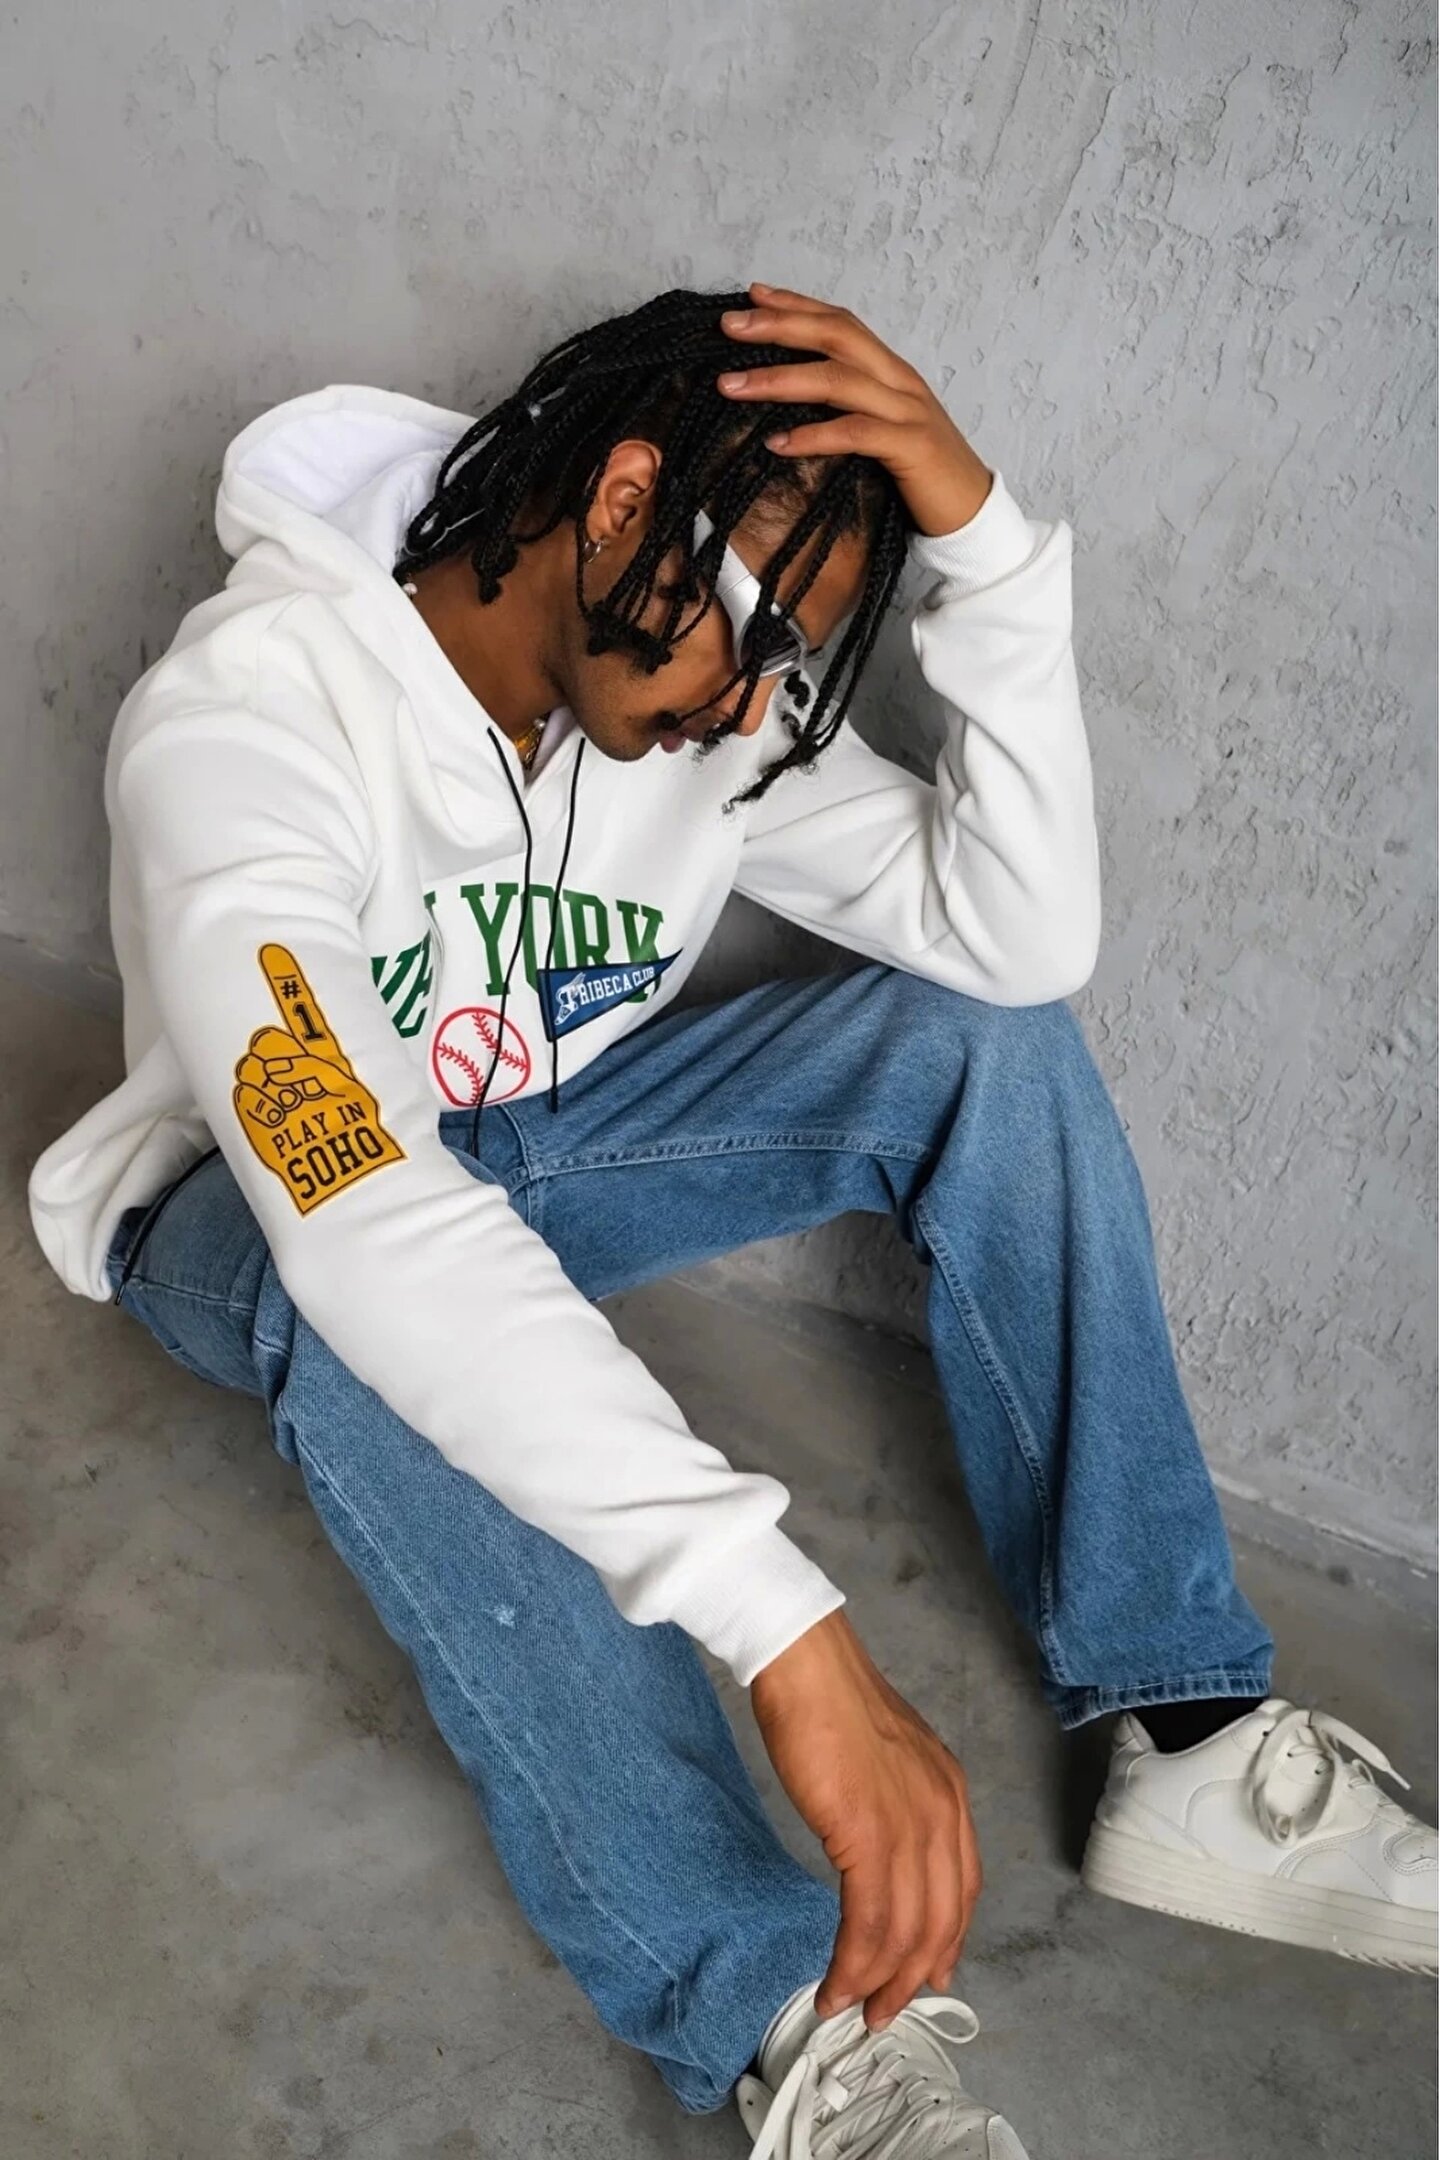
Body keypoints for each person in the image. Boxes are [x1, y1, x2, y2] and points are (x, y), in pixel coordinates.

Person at [28, 279, 1436, 2159]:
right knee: (366, 1327)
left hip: (529, 1144)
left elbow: (1018, 940)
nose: (761, 706)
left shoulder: (692, 712)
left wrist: (989, 548)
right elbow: (363, 1218)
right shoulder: (241, 729)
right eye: (762, 636)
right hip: (249, 1213)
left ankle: (1183, 1730)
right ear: (623, 502)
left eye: (797, 668)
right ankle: (782, 2008)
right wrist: (789, 1631)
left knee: (980, 1045)